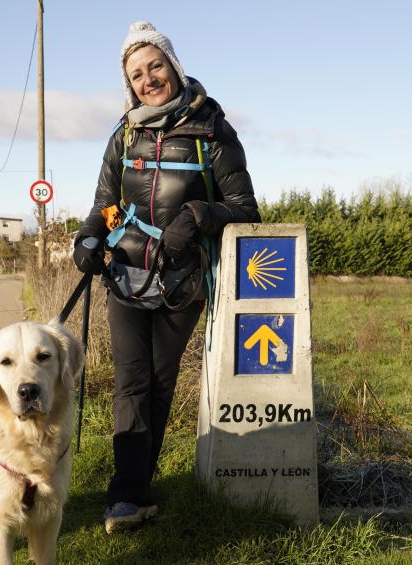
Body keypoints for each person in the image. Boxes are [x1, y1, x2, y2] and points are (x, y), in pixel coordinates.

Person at [73, 21, 260, 534]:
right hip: (125, 278)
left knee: (157, 385)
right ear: (128, 83)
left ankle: (137, 486)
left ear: (173, 66)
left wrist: (199, 215)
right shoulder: (124, 133)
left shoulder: (213, 131)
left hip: (183, 284)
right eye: (137, 73)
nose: (148, 79)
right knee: (130, 384)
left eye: (155, 66)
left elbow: (245, 209)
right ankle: (126, 495)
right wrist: (87, 237)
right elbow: (103, 205)